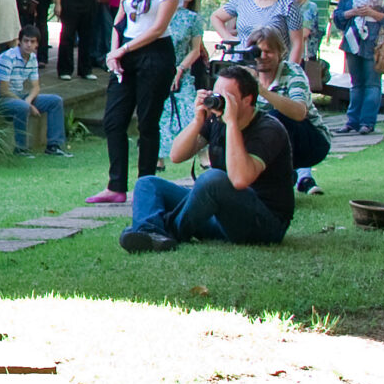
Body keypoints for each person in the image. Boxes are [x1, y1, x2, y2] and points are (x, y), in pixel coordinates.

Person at [119, 65, 295, 251]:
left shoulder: (269, 129)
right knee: (148, 183)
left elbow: (240, 179)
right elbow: (176, 155)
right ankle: (149, 232)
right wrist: (198, 120)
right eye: (216, 94)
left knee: (213, 179)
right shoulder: (217, 120)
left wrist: (232, 124)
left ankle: (165, 232)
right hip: (221, 216)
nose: (218, 101)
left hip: (263, 224)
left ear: (247, 100)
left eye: (226, 97)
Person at [91, 0, 188, 205]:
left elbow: (158, 27)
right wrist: (114, 52)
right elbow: (120, 19)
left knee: (147, 122)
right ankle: (116, 185)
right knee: (113, 120)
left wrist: (124, 49)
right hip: (126, 51)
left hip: (154, 54)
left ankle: (146, 185)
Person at [250, 25, 330, 196]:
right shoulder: (246, 74)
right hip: (267, 139)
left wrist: (263, 91)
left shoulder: (293, 72)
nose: (262, 56)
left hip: (312, 141)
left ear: (281, 53)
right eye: (258, 52)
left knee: (275, 117)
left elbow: (299, 112)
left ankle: (282, 181)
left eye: (268, 51)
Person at [336, 0, 384, 135]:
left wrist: (372, 13)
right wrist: (352, 12)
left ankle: (367, 122)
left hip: (374, 43)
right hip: (353, 40)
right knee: (356, 83)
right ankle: (352, 121)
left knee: (372, 83)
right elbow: (338, 16)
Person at [156, 0, 214, 140]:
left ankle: (192, 146)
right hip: (159, 67)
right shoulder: (159, 12)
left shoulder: (193, 18)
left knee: (188, 109)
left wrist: (180, 69)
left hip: (182, 68)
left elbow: (196, 49)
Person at [0, 27, 70, 157]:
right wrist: (27, 105)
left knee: (55, 101)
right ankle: (20, 148)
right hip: (0, 99)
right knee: (22, 106)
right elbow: (3, 91)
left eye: (32, 41)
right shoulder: (8, 58)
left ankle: (54, 146)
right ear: (19, 41)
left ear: (37, 44)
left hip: (19, 96)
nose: (28, 45)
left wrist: (28, 101)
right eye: (26, 41)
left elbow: (36, 87)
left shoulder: (32, 59)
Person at [297, 0, 348, 87]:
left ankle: (314, 82)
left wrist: (343, 5)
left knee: (309, 57)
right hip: (297, 23)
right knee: (296, 56)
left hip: (317, 24)